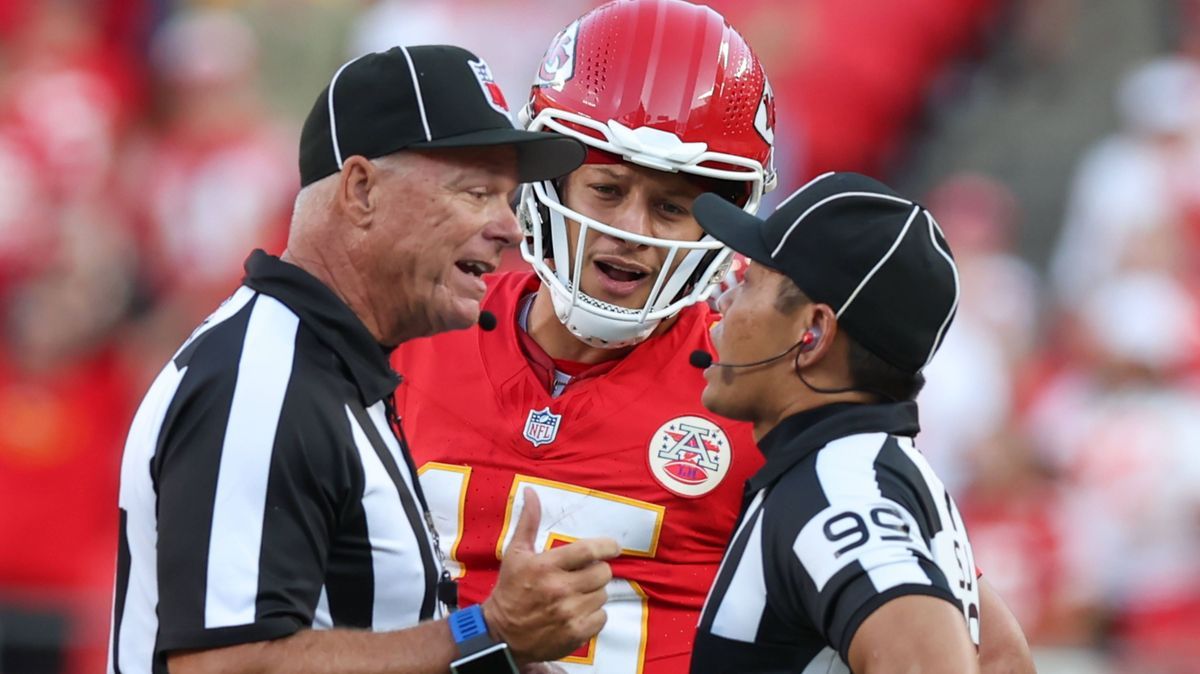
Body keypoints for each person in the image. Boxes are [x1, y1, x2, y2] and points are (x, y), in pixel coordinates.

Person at [108, 45, 622, 674]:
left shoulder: (327, 370)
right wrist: (484, 631)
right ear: (360, 190)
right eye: (476, 192)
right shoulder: (263, 382)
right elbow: (226, 666)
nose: (507, 228)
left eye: (507, 198)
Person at [390, 2, 775, 671]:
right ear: (549, 179)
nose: (631, 231)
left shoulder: (760, 391)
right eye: (607, 188)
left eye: (672, 206)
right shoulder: (415, 333)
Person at [689, 171, 1011, 672]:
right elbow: (1005, 659)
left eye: (751, 284)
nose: (721, 304)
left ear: (813, 333)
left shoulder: (836, 489)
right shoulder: (870, 470)